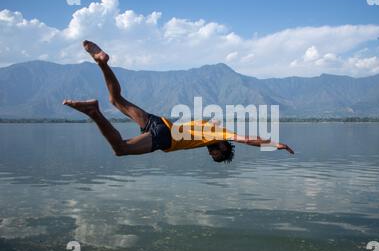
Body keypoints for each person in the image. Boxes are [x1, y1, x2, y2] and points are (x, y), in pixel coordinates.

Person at [63, 41, 294, 163]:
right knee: (121, 150)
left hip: (160, 123)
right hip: (165, 135)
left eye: (212, 155)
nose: (212, 153)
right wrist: (275, 144)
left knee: (116, 99)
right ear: (224, 147)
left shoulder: (208, 130)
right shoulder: (220, 135)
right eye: (217, 154)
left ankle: (102, 63)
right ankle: (94, 112)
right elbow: (248, 140)